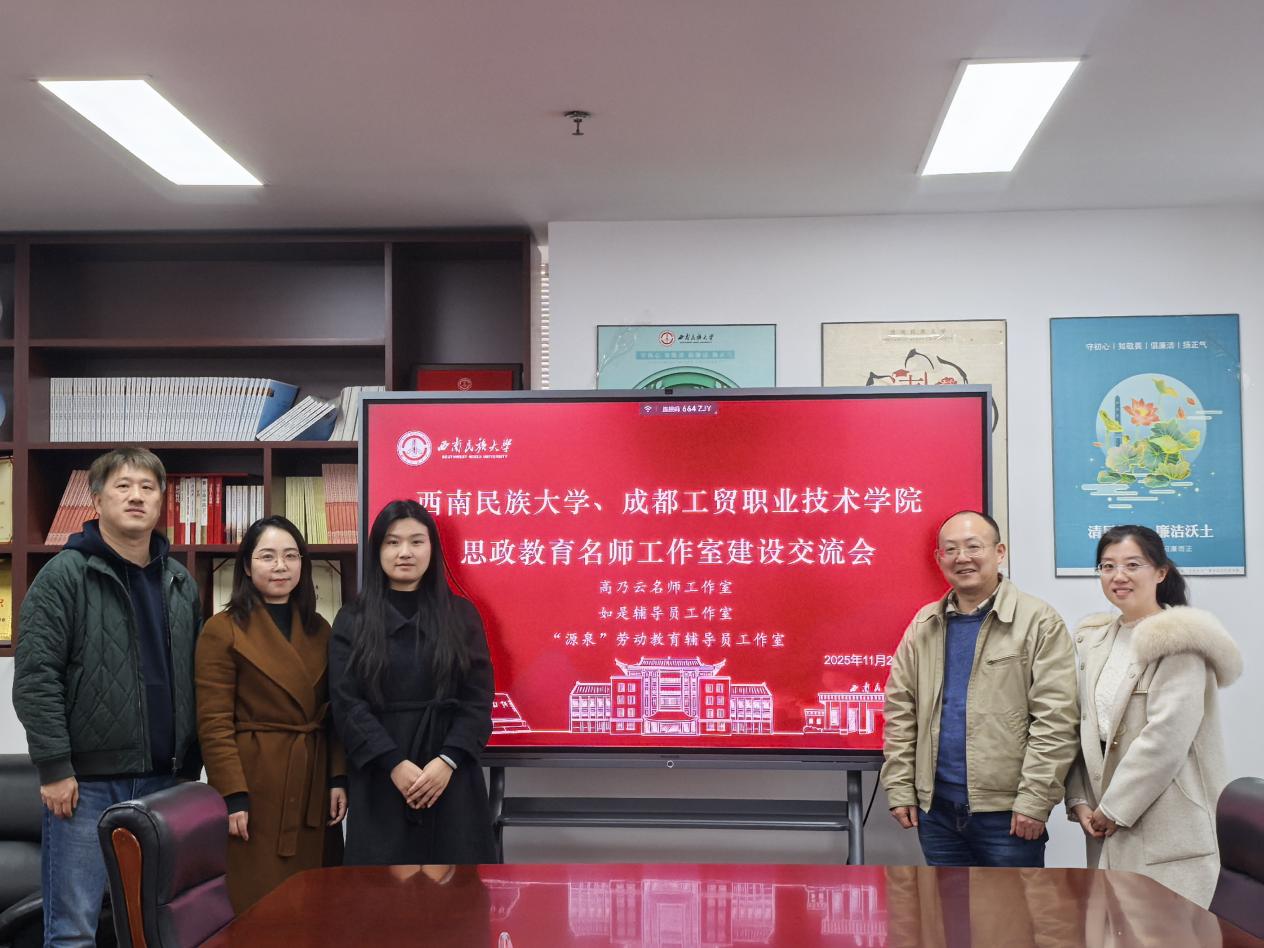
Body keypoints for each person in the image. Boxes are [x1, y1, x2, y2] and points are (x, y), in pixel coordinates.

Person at [14, 447, 202, 946]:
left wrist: (190, 764)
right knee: (73, 929)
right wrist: (54, 768)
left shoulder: (179, 582)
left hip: (164, 781)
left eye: (147, 487)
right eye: (123, 486)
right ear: (96, 501)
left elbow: (194, 679)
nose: (136, 496)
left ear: (162, 501)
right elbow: (35, 677)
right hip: (86, 785)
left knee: (152, 927)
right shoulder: (64, 575)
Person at [881, 510, 1079, 867]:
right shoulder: (925, 624)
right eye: (951, 549)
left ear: (999, 552)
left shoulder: (1038, 621)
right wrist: (899, 787)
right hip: (936, 811)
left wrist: (1035, 800)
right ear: (939, 558)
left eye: (973, 546)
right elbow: (900, 710)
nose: (962, 557)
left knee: (1010, 906)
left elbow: (1057, 719)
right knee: (946, 904)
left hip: (1007, 813)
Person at [1065, 525, 1241, 907]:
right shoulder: (1095, 641)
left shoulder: (1179, 641)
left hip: (1167, 824)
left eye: (1133, 565)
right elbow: (1083, 726)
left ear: (1161, 572)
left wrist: (1114, 809)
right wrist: (1079, 798)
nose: (1118, 576)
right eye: (1107, 566)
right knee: (1111, 928)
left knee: (1166, 929)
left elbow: (1166, 737)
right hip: (1104, 822)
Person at [329, 499, 497, 864]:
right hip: (381, 774)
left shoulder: (462, 615)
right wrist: (393, 763)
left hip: (451, 775)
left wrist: (447, 761)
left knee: (457, 890)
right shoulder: (352, 619)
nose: (405, 552)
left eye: (416, 541)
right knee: (380, 891)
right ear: (377, 551)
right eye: (392, 542)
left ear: (432, 549)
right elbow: (346, 703)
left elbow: (478, 700)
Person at [195, 516, 348, 913]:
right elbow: (213, 723)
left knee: (315, 905)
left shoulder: (320, 628)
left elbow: (334, 713)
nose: (281, 566)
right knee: (258, 903)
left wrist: (337, 777)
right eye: (267, 556)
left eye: (290, 556)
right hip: (255, 784)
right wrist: (232, 795)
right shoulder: (222, 629)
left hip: (312, 781)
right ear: (247, 566)